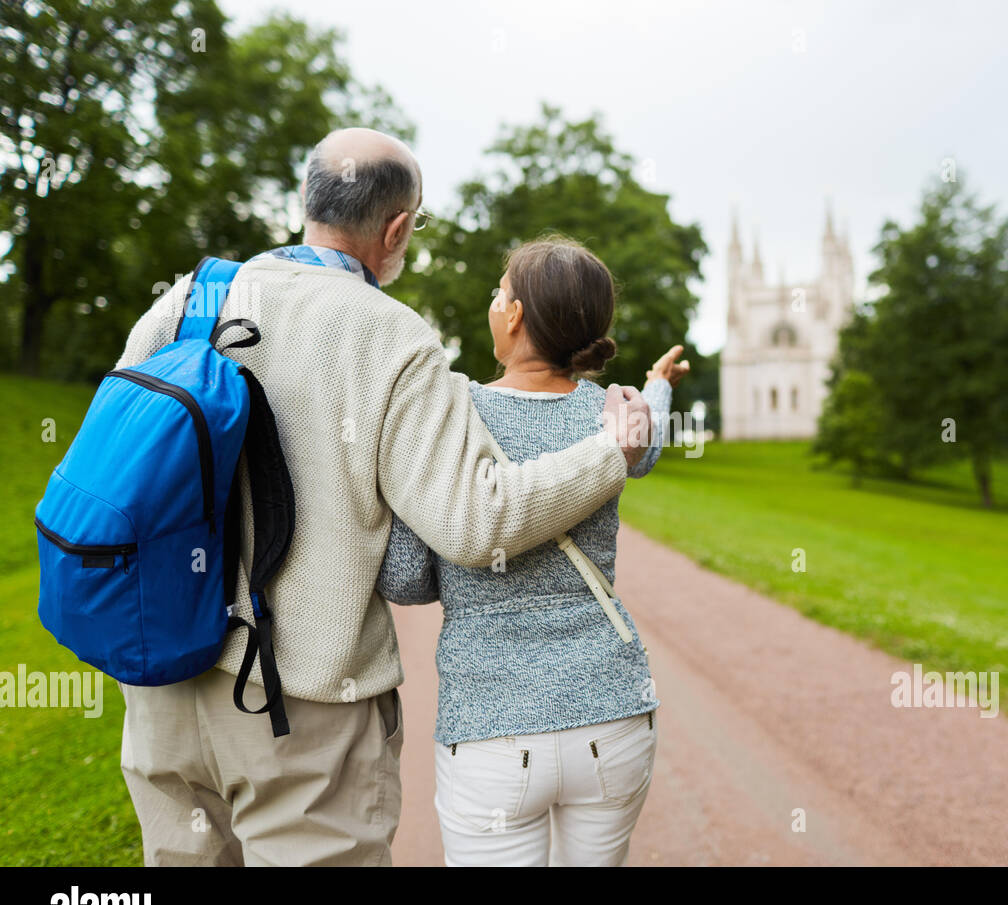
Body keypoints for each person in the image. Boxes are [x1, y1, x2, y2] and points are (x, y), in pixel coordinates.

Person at [113, 129, 652, 866]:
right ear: (396, 229)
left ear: (308, 199)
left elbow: (122, 472)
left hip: (163, 681)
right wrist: (607, 454)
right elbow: (474, 522)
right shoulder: (389, 334)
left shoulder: (186, 300)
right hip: (299, 701)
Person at [378, 236, 690, 866]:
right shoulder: (614, 417)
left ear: (515, 314)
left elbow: (407, 579)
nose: (494, 304)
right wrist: (656, 385)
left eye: (499, 294)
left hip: (492, 732)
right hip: (614, 716)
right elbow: (648, 445)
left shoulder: (454, 416)